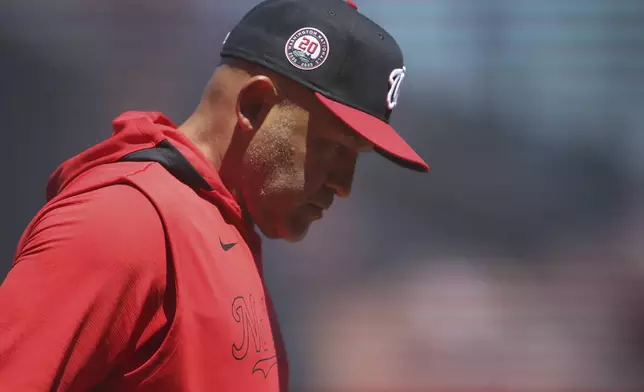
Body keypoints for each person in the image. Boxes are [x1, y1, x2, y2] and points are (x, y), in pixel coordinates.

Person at [0, 0, 428, 391]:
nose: (343, 183)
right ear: (255, 106)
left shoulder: (221, 225)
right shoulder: (124, 223)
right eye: (333, 147)